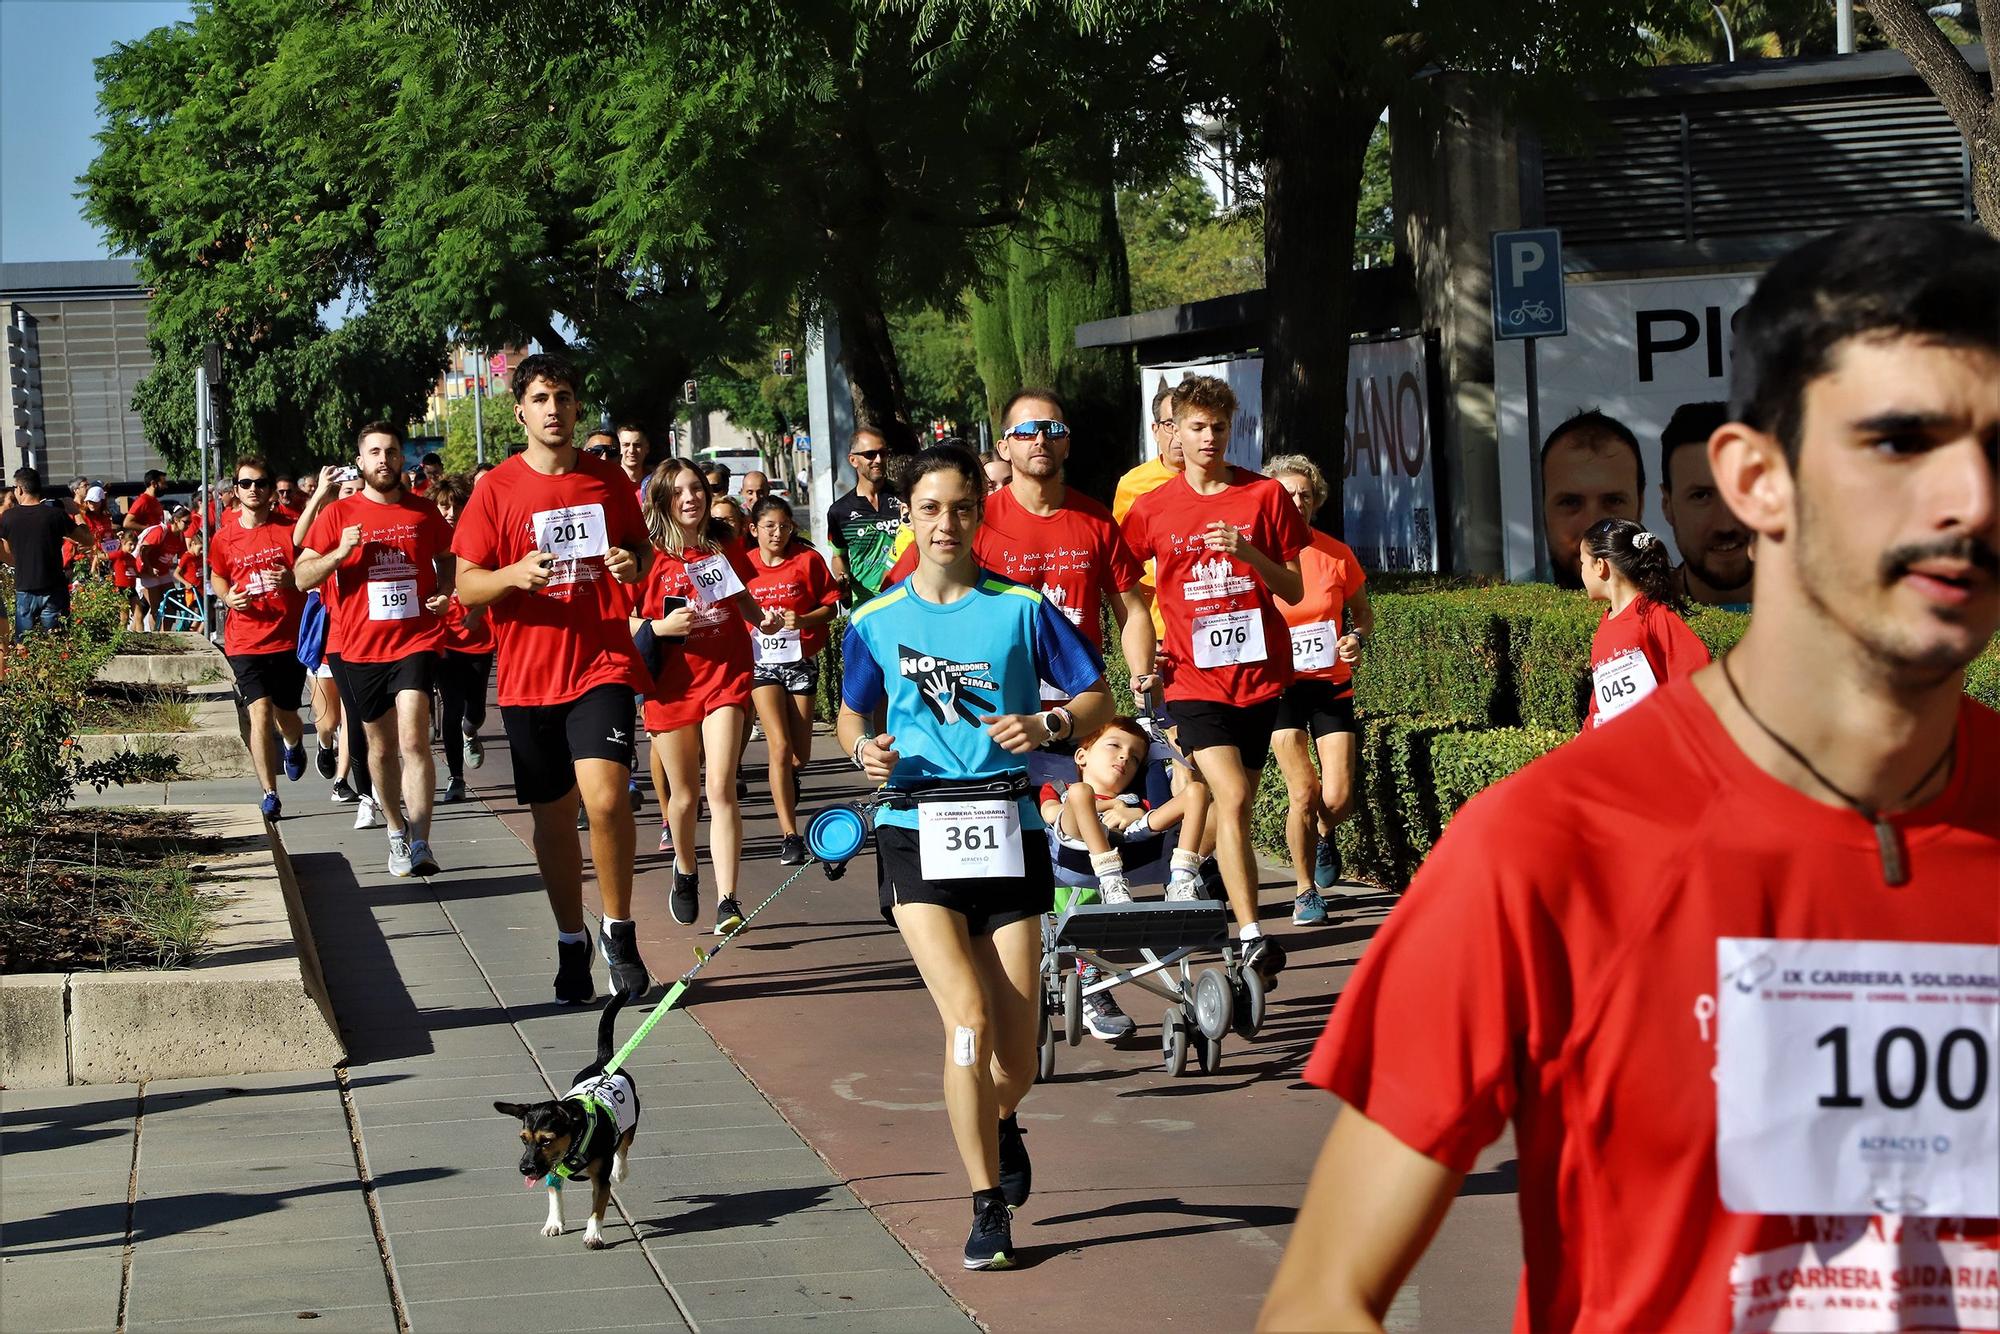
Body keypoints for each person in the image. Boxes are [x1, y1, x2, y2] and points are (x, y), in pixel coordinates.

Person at [1261, 216, 2000, 1332]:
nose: (1970, 503)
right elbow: (1321, 1298)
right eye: (1899, 443)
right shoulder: (1542, 849)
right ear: (1752, 478)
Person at [836, 444, 1113, 1272]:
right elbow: (852, 715)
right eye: (930, 508)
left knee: (1018, 1056)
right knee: (967, 1019)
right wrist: (863, 756)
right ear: (909, 519)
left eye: (962, 507)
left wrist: (1053, 727)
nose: (947, 522)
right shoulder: (874, 621)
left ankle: (1000, 1118)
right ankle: (986, 1203)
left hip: (1007, 830)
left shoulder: (1022, 608)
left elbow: (1098, 697)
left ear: (977, 514)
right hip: (914, 831)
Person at [453, 352, 656, 1005]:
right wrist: (512, 576)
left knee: (605, 799)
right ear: (521, 411)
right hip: (528, 676)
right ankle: (572, 939)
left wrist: (631, 562)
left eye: (564, 397)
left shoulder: (606, 481)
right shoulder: (496, 490)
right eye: (541, 398)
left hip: (602, 664)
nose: (553, 409)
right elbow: (465, 588)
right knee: (553, 819)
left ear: (576, 407)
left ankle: (618, 931)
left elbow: (641, 551)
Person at [1121, 375, 1307, 985]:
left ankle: (1216, 901)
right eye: (1196, 427)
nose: (1208, 439)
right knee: (1230, 796)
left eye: (1219, 428)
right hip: (1192, 681)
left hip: (1259, 677)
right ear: (1172, 431)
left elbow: (1294, 588)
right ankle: (1250, 932)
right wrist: (1140, 662)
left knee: (1241, 806)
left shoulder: (1263, 497)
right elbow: (1124, 590)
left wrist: (1247, 554)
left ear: (1232, 430)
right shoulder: (1151, 508)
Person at [297, 422, 455, 879]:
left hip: (416, 639)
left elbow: (448, 558)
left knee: (413, 738)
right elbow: (303, 576)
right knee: (381, 750)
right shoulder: (338, 515)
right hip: (360, 647)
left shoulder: (425, 513)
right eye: (374, 453)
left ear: (401, 458)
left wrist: (444, 592)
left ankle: (422, 840)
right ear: (361, 461)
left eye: (390, 451)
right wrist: (339, 553)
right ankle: (394, 830)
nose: (383, 459)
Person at [632, 458, 781, 934]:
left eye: (696, 488)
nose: (690, 498)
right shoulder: (648, 555)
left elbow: (739, 598)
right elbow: (620, 621)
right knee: (684, 797)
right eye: (678, 492)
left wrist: (764, 620)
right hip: (671, 685)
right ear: (662, 500)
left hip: (724, 673)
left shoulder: (724, 543)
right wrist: (658, 626)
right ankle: (686, 868)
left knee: (720, 787)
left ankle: (729, 901)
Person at [1265, 455, 1371, 925]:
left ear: (1316, 502)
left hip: (1330, 684)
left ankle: (1325, 832)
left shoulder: (1336, 553)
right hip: (1280, 688)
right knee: (1303, 792)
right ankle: (1305, 891)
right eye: (1287, 494)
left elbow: (1362, 616)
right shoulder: (1256, 555)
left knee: (1338, 798)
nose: (1297, 501)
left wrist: (1355, 638)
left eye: (1305, 495)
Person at [209, 455, 309, 820]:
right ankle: (270, 793)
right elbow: (218, 575)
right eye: (246, 483)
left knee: (288, 714)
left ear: (271, 490)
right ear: (236, 490)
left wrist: (292, 579)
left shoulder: (291, 528)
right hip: (245, 640)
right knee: (260, 712)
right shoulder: (224, 537)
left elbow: (311, 571)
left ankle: (294, 743)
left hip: (287, 638)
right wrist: (226, 596)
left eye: (261, 483)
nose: (254, 489)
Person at [743, 494, 841, 864]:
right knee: (779, 747)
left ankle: (788, 777)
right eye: (769, 526)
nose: (778, 533)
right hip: (760, 664)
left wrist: (802, 621)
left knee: (800, 755)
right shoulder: (744, 564)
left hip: (800, 660)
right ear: (754, 530)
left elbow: (831, 607)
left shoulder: (807, 560)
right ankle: (790, 835)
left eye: (785, 526)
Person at [1039, 716, 1209, 905]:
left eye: (1135, 758)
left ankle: (1181, 880)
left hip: (1129, 840)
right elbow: (1050, 814)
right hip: (1075, 842)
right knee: (1080, 792)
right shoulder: (1061, 788)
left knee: (1198, 791)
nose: (1125, 756)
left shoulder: (1133, 798)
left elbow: (1151, 815)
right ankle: (1110, 878)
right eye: (1114, 745)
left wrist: (1137, 812)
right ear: (1081, 757)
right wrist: (1112, 805)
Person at [1580, 518, 1712, 729]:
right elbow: (1600, 709)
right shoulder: (1604, 629)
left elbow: (1695, 669)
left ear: (1599, 566)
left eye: (1582, 563)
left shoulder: (1655, 615)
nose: (1581, 572)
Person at [297, 467, 373, 811]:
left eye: (360, 489)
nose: (355, 497)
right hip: (326, 629)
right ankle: (324, 745)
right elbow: (299, 542)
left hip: (359, 636)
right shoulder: (328, 521)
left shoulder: (373, 522)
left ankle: (344, 780)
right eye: (348, 491)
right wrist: (319, 495)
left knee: (351, 714)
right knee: (328, 721)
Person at [431, 473, 493, 803]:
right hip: (444, 642)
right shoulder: (428, 545)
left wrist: (479, 611)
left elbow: (496, 581)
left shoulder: (478, 542)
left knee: (476, 711)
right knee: (451, 710)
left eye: (456, 506)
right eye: (443, 507)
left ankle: (472, 731)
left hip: (479, 639)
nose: (451, 513)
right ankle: (456, 778)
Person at [1660, 400, 1754, 610]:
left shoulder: (1830, 607)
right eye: (1701, 496)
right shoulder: (1644, 615)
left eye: (1741, 491)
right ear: (1667, 504)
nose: (1726, 524)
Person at [1540, 409, 1643, 589]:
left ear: (1640, 505)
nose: (1592, 527)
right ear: (1542, 509)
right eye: (1571, 502)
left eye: (1613, 501)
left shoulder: (1676, 603)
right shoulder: (1508, 610)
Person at [1, 468, 87, 634]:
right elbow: (87, 540)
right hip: (54, 588)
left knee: (25, 646)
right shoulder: (56, 515)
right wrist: (76, 513)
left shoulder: (8, 517)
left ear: (19, 489)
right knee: (57, 643)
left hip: (25, 588)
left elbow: (6, 550)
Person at [826, 428, 902, 604]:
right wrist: (841, 577)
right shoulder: (839, 511)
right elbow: (839, 556)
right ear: (853, 460)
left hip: (905, 596)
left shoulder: (907, 498)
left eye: (883, 453)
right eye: (870, 454)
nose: (878, 460)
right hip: (866, 603)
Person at [135, 505, 192, 631]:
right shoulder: (161, 531)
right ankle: (157, 638)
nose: (188, 525)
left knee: (171, 606)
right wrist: (149, 568)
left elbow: (184, 557)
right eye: (186, 522)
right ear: (176, 520)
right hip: (146, 572)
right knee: (157, 608)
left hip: (163, 572)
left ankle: (166, 635)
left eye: (190, 523)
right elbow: (143, 550)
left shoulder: (180, 536)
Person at [108, 529, 141, 629]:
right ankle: (121, 640)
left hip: (132, 588)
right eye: (130, 544)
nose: (132, 547)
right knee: (124, 617)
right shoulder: (119, 554)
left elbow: (137, 573)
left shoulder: (132, 558)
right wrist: (93, 568)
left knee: (139, 615)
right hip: (121, 588)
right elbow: (102, 556)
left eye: (134, 545)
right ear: (123, 543)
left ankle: (142, 639)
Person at [123, 469, 167, 536]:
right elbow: (127, 523)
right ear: (153, 483)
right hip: (146, 543)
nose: (165, 486)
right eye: (163, 483)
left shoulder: (155, 501)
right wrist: (148, 529)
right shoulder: (143, 501)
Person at [615, 423, 651, 503]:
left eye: (637, 445)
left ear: (647, 448)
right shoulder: (611, 484)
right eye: (626, 445)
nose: (631, 450)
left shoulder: (657, 483)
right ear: (618, 448)